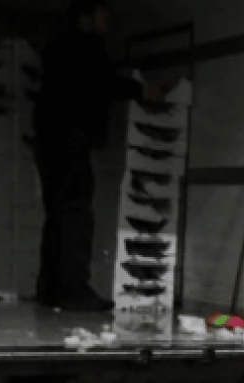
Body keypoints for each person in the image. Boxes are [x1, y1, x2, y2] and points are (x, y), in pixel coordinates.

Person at [34, 0, 162, 312]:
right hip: (70, 140)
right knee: (76, 214)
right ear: (86, 18)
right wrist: (140, 90)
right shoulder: (83, 46)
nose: (109, 20)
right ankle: (72, 289)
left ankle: (51, 288)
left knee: (58, 214)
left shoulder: (60, 45)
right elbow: (100, 81)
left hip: (52, 140)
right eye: (103, 14)